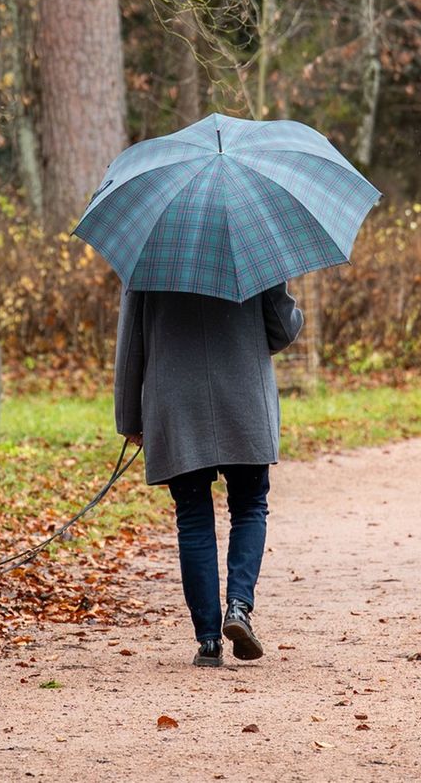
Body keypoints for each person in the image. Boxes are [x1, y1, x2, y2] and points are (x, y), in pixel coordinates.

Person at [113, 282, 304, 667]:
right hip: (244, 398)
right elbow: (283, 330)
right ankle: (238, 607)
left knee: (193, 518)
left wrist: (130, 416)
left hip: (176, 401)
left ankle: (208, 641)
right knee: (250, 506)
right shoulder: (252, 246)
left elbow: (131, 345)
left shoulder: (152, 252)